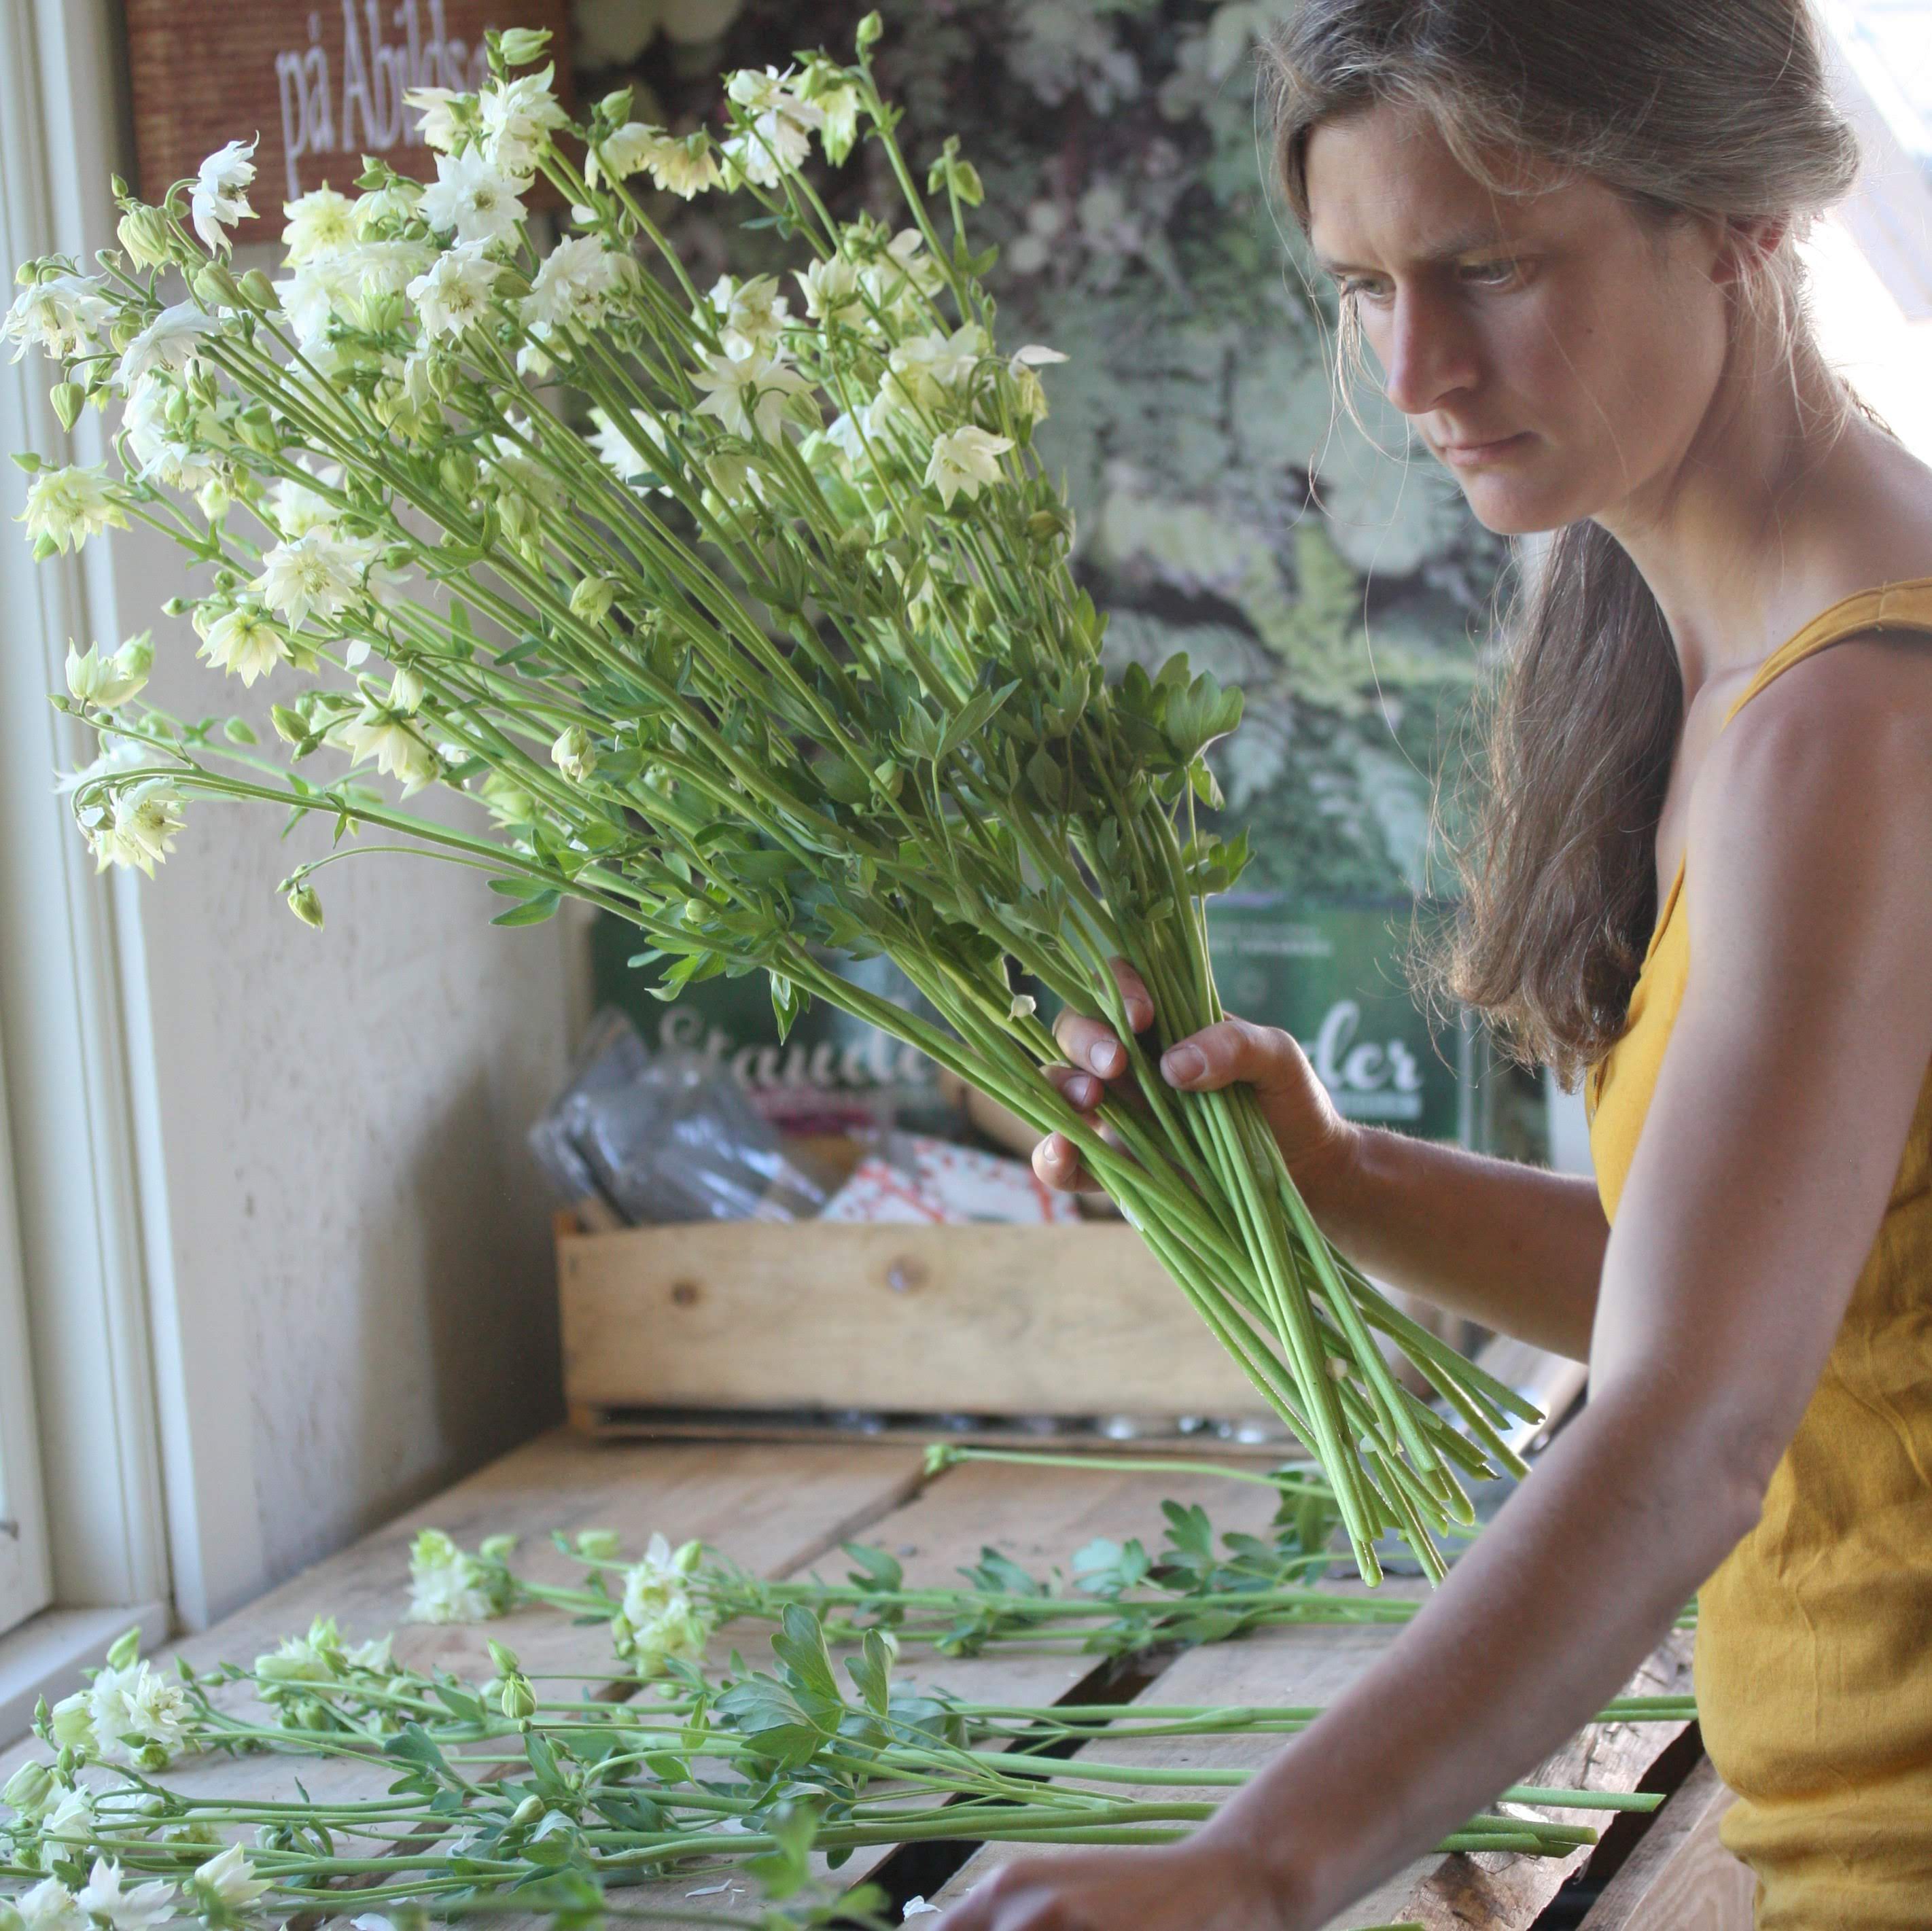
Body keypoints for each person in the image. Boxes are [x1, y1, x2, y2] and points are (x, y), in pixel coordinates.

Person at [932, 2, 1932, 1927]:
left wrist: (1254, 1862)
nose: (1415, 368)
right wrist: (1336, 1177)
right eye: (1362, 285)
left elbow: (1697, 1422)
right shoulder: (1688, 651)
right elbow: (1769, 1293)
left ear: (1731, 213)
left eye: (1487, 269)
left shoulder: (1857, 724)